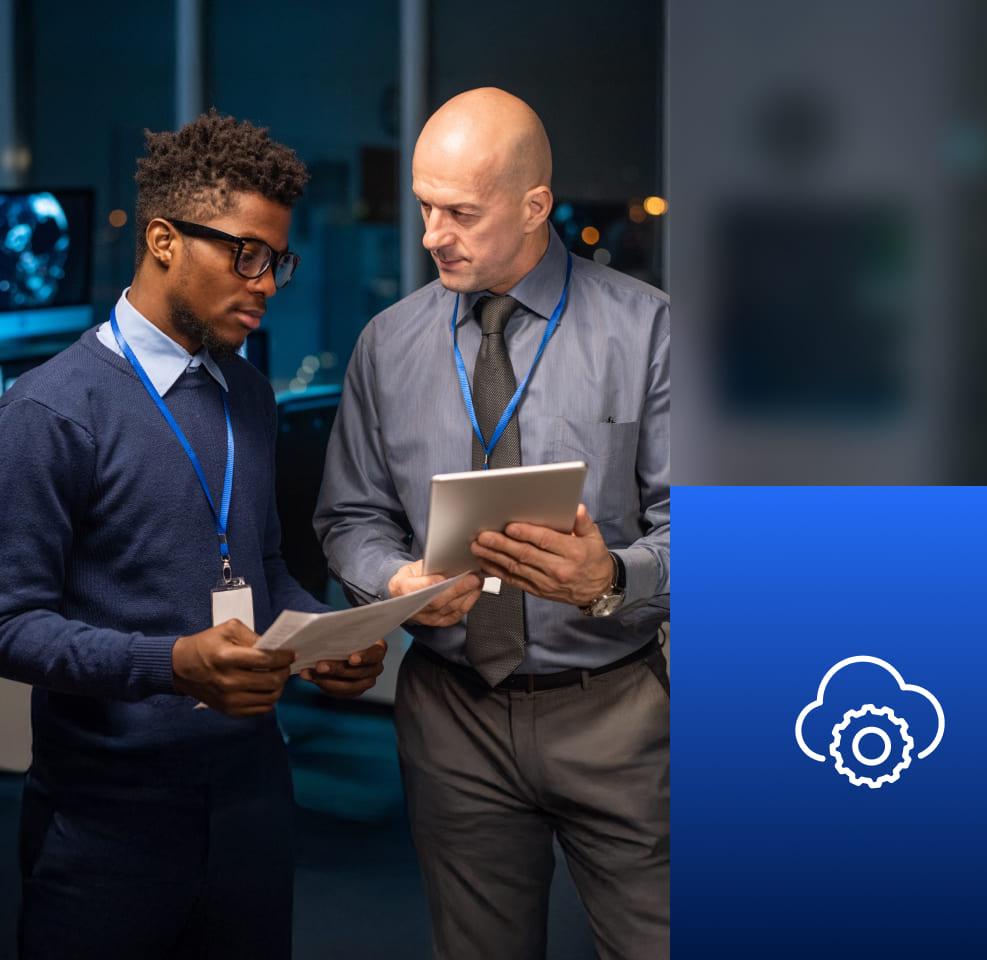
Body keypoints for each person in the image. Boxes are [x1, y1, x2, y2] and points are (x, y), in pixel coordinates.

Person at [0, 111, 387, 960]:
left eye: (278, 260)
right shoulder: (49, 409)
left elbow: (263, 566)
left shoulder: (249, 394)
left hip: (251, 792)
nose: (269, 282)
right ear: (164, 238)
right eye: (246, 254)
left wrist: (321, 636)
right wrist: (171, 665)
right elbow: (10, 624)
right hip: (108, 812)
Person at [315, 87, 670, 959]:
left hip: (615, 708)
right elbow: (350, 514)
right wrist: (395, 580)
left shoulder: (649, 330)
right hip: (451, 716)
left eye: (460, 212)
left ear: (535, 205)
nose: (433, 233)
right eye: (425, 206)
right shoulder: (386, 345)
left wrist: (611, 578)